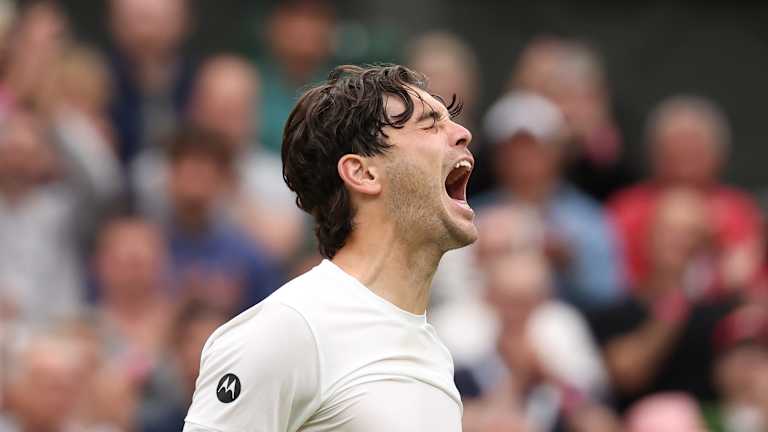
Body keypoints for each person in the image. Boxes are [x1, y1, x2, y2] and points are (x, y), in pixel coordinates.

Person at [184, 64, 476, 431]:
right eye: (430, 124)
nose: (463, 133)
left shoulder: (435, 353)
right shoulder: (288, 329)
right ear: (362, 173)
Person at [132, 55, 305, 263]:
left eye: (234, 111)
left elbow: (279, 248)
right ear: (193, 108)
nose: (222, 123)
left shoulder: (276, 176)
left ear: (254, 115)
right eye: (215, 109)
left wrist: (229, 188)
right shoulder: (152, 171)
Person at [588, 188, 740, 411]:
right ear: (646, 236)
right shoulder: (612, 313)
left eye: (691, 233)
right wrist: (674, 303)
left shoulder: (725, 314)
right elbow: (627, 374)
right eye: (669, 231)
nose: (679, 242)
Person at [478, 91, 624, 309]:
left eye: (534, 148)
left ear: (557, 153)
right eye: (512, 149)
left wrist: (570, 262)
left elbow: (610, 296)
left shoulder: (589, 220)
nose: (523, 158)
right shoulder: (470, 216)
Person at [609, 95, 763, 293]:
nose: (684, 155)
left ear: (718, 154)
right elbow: (612, 283)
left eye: (694, 148)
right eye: (675, 147)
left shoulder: (739, 210)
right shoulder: (627, 209)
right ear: (654, 153)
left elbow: (752, 280)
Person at [161, 127, 282, 314]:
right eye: (188, 172)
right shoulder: (146, 249)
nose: (194, 186)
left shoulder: (247, 256)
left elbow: (269, 315)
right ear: (171, 176)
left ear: (223, 180)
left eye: (203, 175)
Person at [107, 0, 196, 165]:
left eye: (156, 20)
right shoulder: (99, 81)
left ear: (182, 22)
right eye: (138, 20)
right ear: (116, 24)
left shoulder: (200, 82)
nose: (146, 32)